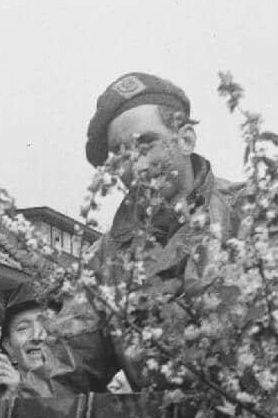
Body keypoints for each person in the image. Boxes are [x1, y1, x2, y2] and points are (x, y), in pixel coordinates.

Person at [49, 72, 244, 393]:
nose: (134, 168)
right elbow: (64, 365)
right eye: (119, 156)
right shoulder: (105, 259)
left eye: (145, 144)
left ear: (185, 139)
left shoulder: (250, 211)